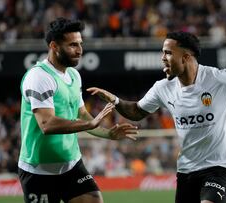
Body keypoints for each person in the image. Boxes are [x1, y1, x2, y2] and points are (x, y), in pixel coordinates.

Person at [87, 31, 226, 203]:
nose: (162, 58)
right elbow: (136, 111)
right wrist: (115, 101)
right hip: (187, 168)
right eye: (162, 52)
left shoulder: (219, 79)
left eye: (168, 52)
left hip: (221, 164)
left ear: (186, 57)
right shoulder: (162, 88)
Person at [18, 17, 138, 203]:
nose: (80, 50)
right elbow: (47, 124)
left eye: (80, 44)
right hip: (38, 170)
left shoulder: (74, 75)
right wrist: (89, 123)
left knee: (93, 199)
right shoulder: (39, 77)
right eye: (72, 45)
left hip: (71, 165)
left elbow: (81, 114)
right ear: (54, 46)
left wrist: (109, 134)